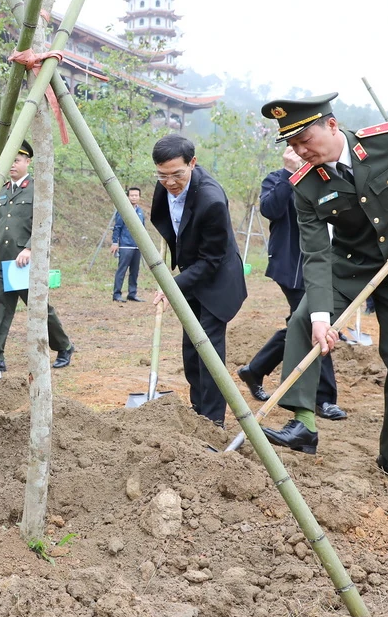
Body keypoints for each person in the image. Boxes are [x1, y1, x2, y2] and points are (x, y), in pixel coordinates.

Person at [259, 94, 388, 491]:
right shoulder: (304, 185)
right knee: (302, 321)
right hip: (349, 267)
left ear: (331, 126)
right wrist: (321, 320)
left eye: (305, 140)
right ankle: (303, 423)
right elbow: (315, 253)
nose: (300, 151)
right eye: (292, 145)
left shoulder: (386, 142)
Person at [237, 147, 345, 421]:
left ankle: (255, 369)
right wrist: (289, 172)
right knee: (315, 322)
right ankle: (323, 398)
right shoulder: (277, 179)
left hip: (328, 267)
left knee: (300, 324)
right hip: (294, 268)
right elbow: (270, 209)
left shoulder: (329, 178)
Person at [149, 135, 247, 426]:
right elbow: (164, 221)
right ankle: (198, 408)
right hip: (191, 273)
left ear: (192, 162)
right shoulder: (165, 181)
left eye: (177, 174)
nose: (169, 182)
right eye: (162, 175)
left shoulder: (211, 200)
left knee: (209, 351)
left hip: (217, 280)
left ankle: (214, 420)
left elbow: (212, 260)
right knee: (191, 348)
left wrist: (171, 285)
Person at [0, 141, 74, 374]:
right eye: (10, 161)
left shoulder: (37, 189)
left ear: (28, 161)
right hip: (2, 262)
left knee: (39, 308)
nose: (12, 165)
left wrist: (29, 248)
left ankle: (64, 346)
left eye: (17, 160)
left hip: (25, 263)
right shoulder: (3, 191)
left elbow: (45, 223)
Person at [111, 187, 145, 303]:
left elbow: (142, 229)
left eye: (136, 195)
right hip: (126, 245)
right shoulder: (122, 210)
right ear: (128, 197)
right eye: (132, 195)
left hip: (137, 246)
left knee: (134, 271)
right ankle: (117, 294)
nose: (134, 197)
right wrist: (115, 242)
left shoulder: (140, 211)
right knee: (122, 270)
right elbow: (117, 227)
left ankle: (132, 293)